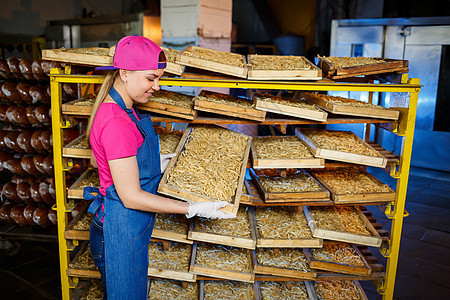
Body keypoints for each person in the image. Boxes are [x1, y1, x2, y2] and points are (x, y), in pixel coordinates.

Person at [83, 35, 234, 300]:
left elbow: (102, 160)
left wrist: (155, 162)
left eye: (159, 78)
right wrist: (191, 208)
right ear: (126, 73)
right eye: (151, 78)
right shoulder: (116, 121)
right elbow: (130, 196)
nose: (157, 86)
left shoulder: (124, 110)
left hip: (127, 226)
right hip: (119, 229)